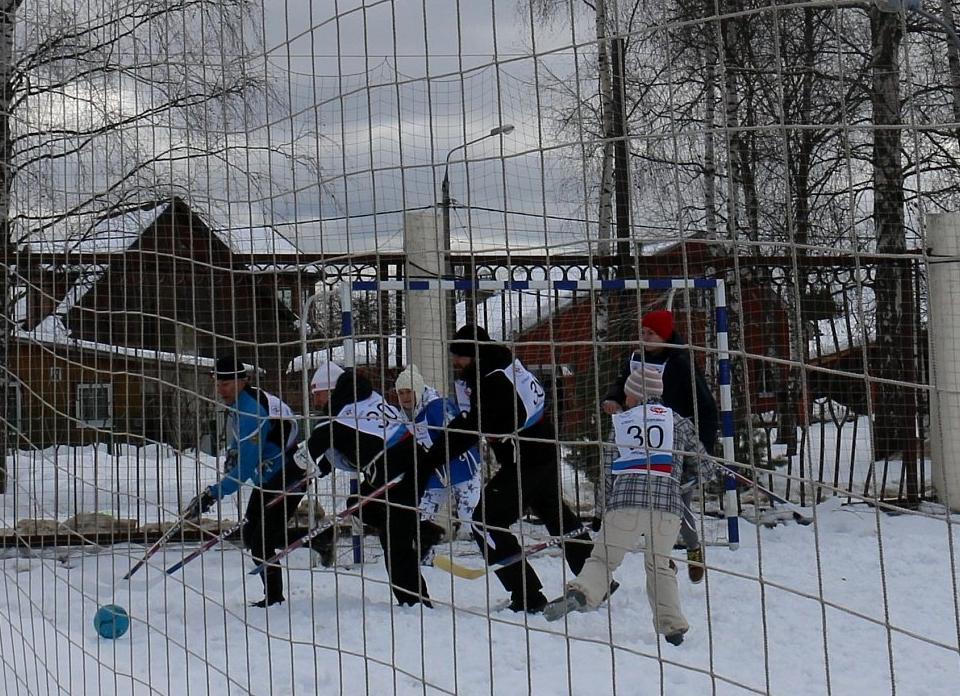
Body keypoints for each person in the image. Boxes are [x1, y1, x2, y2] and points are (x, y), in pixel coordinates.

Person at [422, 325, 593, 614]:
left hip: (526, 459)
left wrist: (431, 458)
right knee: (554, 512)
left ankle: (527, 595)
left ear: (475, 353)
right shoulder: (499, 367)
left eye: (461, 356)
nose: (456, 362)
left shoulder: (493, 381)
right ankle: (596, 578)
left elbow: (470, 428)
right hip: (540, 450)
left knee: (484, 520)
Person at [544, 363, 715, 645]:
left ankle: (582, 591)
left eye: (627, 395)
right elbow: (704, 469)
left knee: (602, 559)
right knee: (659, 565)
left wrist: (603, 510)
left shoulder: (622, 423)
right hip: (666, 507)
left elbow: (608, 468)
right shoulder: (679, 422)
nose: (625, 399)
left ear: (635, 396)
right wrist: (683, 477)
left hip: (625, 503)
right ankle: (672, 627)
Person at [295, 361, 435, 608]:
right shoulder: (365, 398)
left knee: (395, 542)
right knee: (358, 502)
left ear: (330, 391)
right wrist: (321, 467)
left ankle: (415, 603)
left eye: (317, 395)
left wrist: (297, 473)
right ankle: (423, 532)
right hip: (405, 466)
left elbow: (311, 449)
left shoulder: (339, 414)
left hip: (398, 473)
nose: (315, 403)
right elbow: (345, 444)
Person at [601, 309, 718, 583]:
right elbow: (624, 384)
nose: (645, 338)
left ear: (664, 336)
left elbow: (706, 407)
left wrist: (703, 450)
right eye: (642, 332)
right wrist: (614, 399)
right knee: (647, 503)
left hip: (676, 442)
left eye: (650, 333)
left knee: (678, 503)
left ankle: (693, 550)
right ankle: (663, 559)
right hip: (643, 442)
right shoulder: (636, 357)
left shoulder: (679, 363)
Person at [182, 357, 304, 608]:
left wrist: (213, 493)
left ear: (242, 381)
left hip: (288, 477)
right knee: (252, 536)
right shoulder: (240, 403)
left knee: (261, 541)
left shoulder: (251, 410)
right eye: (218, 383)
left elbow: (247, 466)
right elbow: (241, 441)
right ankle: (320, 539)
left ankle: (274, 599)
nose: (221, 389)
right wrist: (232, 452)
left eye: (226, 383)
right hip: (269, 477)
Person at [394, 363, 482, 563]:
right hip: (434, 475)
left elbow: (457, 436)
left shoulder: (436, 407)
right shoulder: (402, 416)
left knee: (472, 518)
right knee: (420, 517)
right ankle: (424, 559)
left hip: (461, 469)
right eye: (401, 393)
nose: (405, 397)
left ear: (418, 390)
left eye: (409, 392)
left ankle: (494, 552)